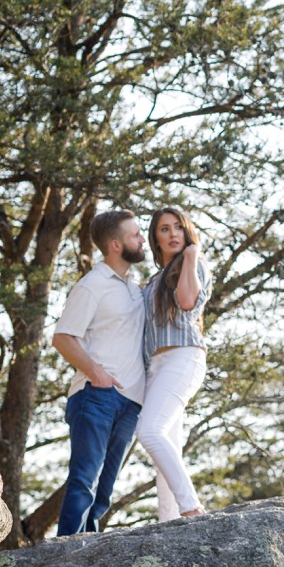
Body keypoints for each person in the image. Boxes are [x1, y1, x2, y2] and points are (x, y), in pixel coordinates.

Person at [52, 207, 148, 536]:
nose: (142, 238)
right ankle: (66, 553)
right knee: (84, 480)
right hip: (96, 396)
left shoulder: (135, 288)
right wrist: (98, 374)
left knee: (104, 489)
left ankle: (88, 551)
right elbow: (63, 337)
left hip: (130, 402)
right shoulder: (92, 285)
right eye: (135, 234)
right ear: (115, 245)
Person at [137, 204, 213, 521]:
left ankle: (191, 508)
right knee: (167, 445)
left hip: (184, 356)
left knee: (150, 432)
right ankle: (169, 522)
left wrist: (192, 256)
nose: (172, 234)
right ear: (156, 237)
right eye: (164, 229)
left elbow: (185, 302)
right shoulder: (153, 280)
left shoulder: (194, 267)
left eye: (178, 227)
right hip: (155, 366)